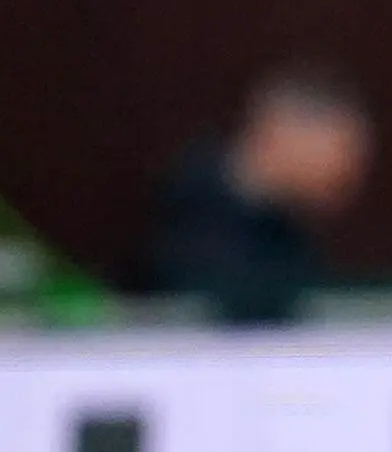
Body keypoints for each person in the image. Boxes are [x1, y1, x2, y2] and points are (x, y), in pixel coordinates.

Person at [144, 65, 374, 325]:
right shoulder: (194, 214)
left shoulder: (288, 225)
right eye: (340, 151)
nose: (348, 170)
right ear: (279, 134)